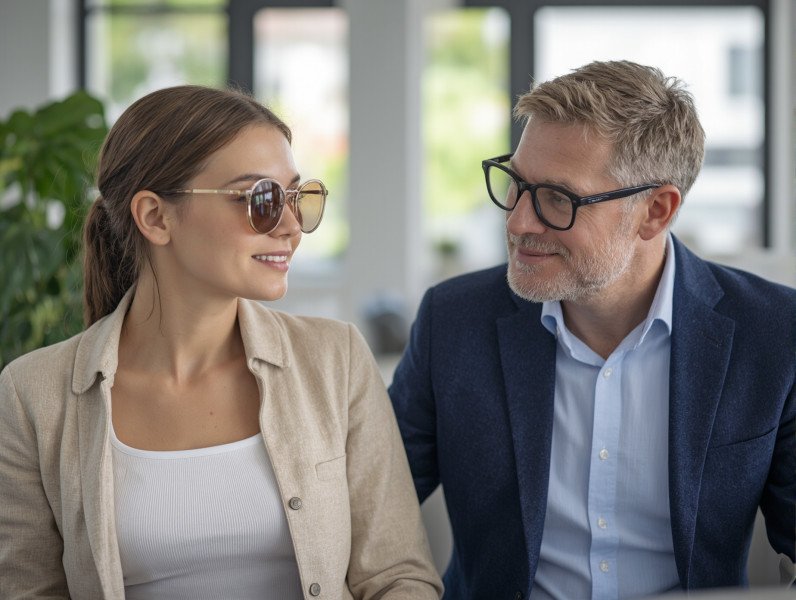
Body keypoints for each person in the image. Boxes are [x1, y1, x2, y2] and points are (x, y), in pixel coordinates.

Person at [0, 85, 443, 600]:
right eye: (260, 199)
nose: (291, 227)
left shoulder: (335, 359)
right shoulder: (33, 394)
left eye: (297, 197)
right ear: (155, 217)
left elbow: (398, 576)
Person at [389, 60, 795, 599]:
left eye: (559, 198)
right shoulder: (453, 321)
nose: (517, 221)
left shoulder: (772, 334)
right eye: (517, 184)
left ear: (655, 210)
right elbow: (368, 511)